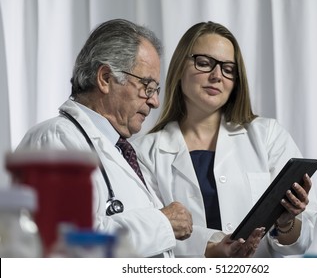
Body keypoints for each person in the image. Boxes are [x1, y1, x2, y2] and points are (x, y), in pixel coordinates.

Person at [133, 21, 317, 257]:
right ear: (180, 67)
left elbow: (299, 242)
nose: (217, 75)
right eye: (204, 63)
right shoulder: (145, 152)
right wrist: (208, 249)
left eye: (228, 69)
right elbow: (148, 235)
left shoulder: (268, 136)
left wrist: (286, 222)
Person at [15, 19, 194, 258]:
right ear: (106, 78)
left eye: (155, 90)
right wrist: (162, 222)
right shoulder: (54, 139)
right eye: (147, 86)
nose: (154, 102)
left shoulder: (120, 150)